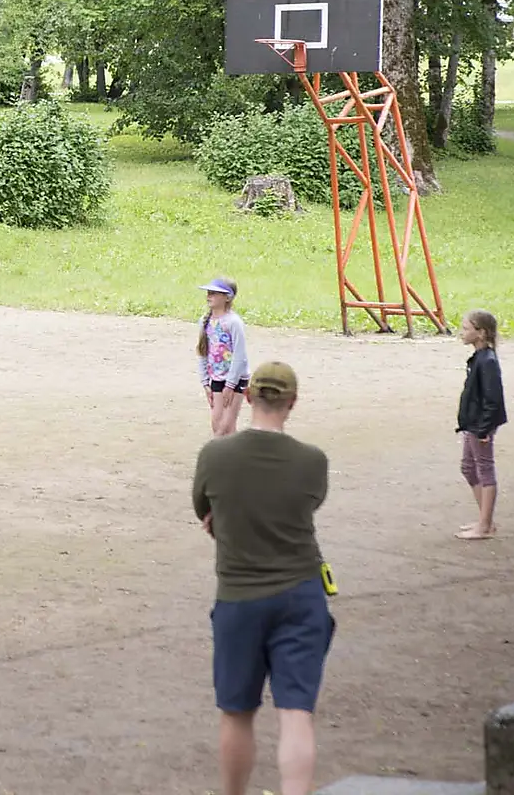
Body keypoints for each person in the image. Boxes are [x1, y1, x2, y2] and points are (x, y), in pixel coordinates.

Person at [192, 361, 333, 795]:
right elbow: (306, 506)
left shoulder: (215, 455)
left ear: (249, 397)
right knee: (296, 713)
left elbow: (203, 509)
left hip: (239, 596)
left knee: (236, 713)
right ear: (293, 402)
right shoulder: (312, 461)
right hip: (301, 595)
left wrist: (229, 519)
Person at [454, 309, 506, 541]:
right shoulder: (479, 358)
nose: (461, 332)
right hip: (473, 422)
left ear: (481, 333)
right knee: (468, 467)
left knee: (484, 469)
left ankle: (484, 526)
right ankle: (486, 521)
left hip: (480, 424)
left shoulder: (488, 361)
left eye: (466, 328)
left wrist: (484, 428)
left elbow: (493, 399)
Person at [197, 278, 249, 438]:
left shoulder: (233, 322)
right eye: (208, 292)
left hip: (235, 379)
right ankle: (225, 453)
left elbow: (240, 355)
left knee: (226, 426)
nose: (209, 296)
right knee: (217, 425)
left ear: (227, 297)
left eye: (214, 293)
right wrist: (205, 382)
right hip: (217, 378)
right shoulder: (205, 321)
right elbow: (203, 352)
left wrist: (230, 384)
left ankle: (232, 453)